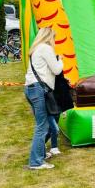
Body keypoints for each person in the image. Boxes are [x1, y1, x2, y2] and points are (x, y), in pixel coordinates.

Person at [24, 27, 64, 170]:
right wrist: (61, 61)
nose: (54, 40)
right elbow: (57, 70)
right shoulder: (46, 48)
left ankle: (40, 154)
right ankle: (36, 162)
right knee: (42, 127)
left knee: (44, 124)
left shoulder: (36, 49)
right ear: (49, 37)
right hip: (39, 90)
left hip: (31, 88)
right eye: (54, 37)